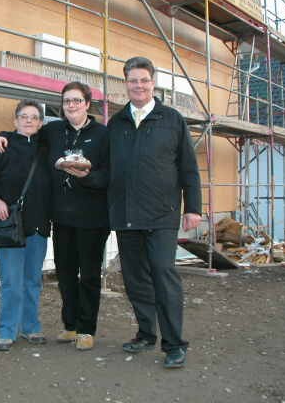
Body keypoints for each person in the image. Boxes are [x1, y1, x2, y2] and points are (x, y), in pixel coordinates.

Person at [0, 82, 110, 350]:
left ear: (87, 104)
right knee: (66, 273)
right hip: (61, 217)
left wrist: (88, 176)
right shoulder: (54, 131)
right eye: (67, 101)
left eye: (77, 101)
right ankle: (70, 325)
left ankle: (86, 330)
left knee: (89, 275)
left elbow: (110, 174)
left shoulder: (103, 134)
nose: (71, 105)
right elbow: (24, 130)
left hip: (92, 217)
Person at [107, 56, 202, 369]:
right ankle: (146, 333)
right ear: (126, 84)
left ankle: (174, 344)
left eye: (144, 80)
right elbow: (106, 169)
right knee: (135, 280)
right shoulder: (116, 123)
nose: (139, 86)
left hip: (162, 214)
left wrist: (194, 208)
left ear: (153, 83)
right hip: (126, 215)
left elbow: (189, 167)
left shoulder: (171, 119)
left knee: (163, 276)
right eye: (133, 80)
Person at [0, 100, 51, 352]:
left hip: (38, 225)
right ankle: (7, 330)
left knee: (33, 281)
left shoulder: (45, 148)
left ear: (40, 123)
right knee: (10, 281)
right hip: (9, 225)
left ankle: (30, 327)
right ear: (15, 120)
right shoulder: (2, 147)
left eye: (34, 117)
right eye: (23, 116)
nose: (28, 120)